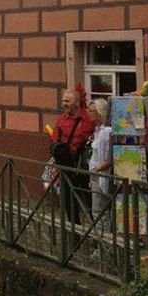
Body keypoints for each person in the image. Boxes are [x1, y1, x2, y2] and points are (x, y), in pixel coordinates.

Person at [50, 87, 95, 225]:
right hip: (67, 165)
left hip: (84, 165)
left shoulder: (88, 118)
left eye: (67, 101)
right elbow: (56, 141)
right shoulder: (61, 120)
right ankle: (74, 232)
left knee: (90, 199)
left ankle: (97, 231)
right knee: (69, 201)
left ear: (77, 103)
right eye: (63, 101)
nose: (64, 104)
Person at [87, 98, 112, 230]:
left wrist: (100, 167)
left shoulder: (106, 132)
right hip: (96, 174)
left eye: (91, 111)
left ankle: (104, 247)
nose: (88, 113)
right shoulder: (97, 130)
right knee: (98, 211)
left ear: (99, 113)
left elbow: (108, 156)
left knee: (99, 212)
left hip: (101, 175)